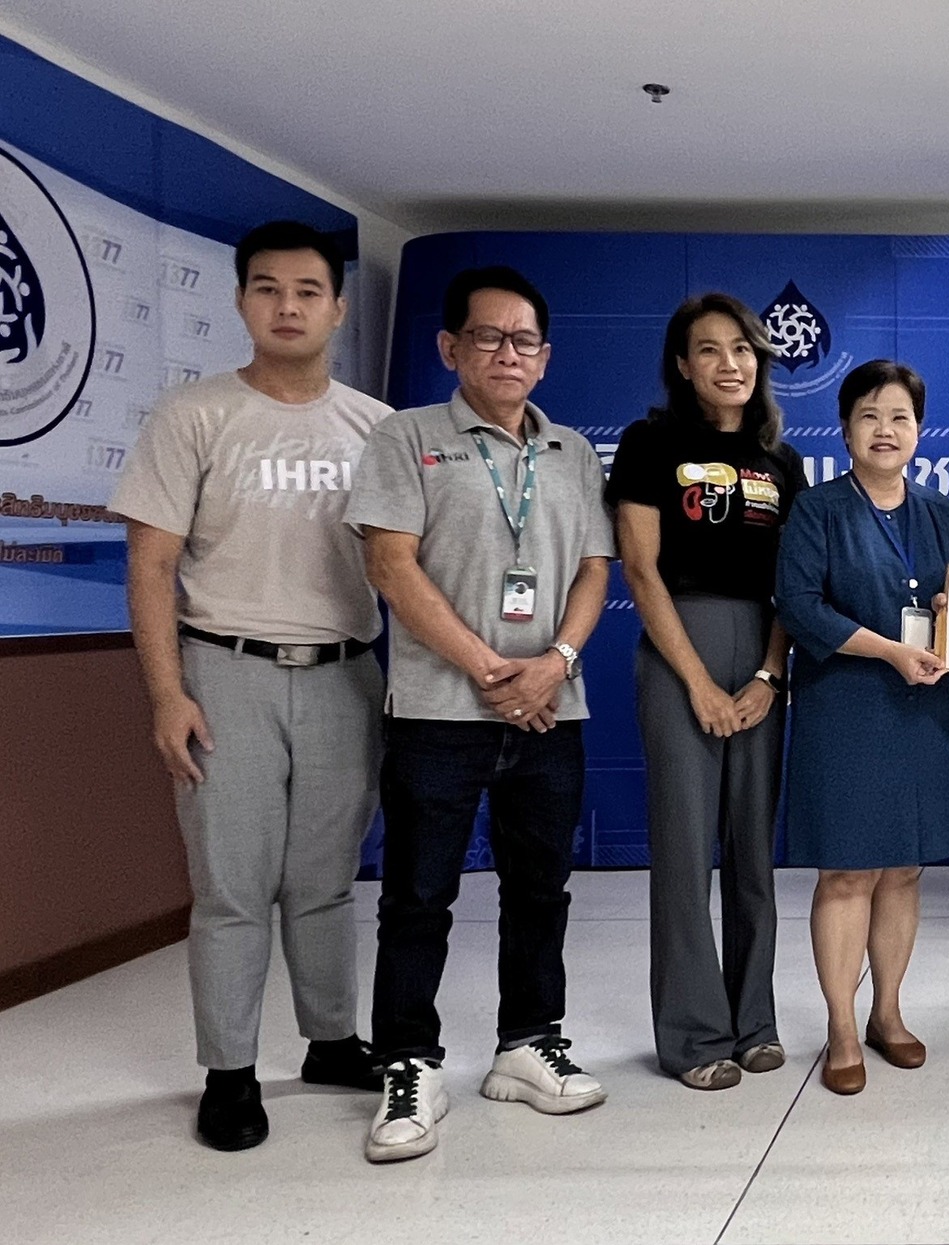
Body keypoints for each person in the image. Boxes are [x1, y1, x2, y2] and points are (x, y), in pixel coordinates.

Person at [110, 220, 389, 1152]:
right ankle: (229, 1071)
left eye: (308, 291)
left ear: (338, 309)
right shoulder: (193, 415)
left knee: (325, 880)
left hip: (345, 674)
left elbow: (406, 563)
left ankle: (331, 1040)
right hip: (224, 671)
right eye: (267, 288)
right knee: (231, 886)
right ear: (240, 302)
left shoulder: (375, 427)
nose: (287, 306)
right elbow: (151, 565)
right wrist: (166, 694)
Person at [345, 266, 615, 1162]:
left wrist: (554, 664)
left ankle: (527, 1042)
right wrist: (492, 669)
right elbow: (390, 564)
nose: (508, 353)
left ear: (545, 355)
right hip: (438, 711)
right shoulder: (407, 437)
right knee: (419, 895)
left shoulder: (573, 451)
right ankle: (409, 1062)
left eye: (524, 339)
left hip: (552, 709)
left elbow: (594, 569)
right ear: (450, 347)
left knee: (541, 888)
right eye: (489, 337)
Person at [606, 293, 805, 1091]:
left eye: (744, 348)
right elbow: (639, 568)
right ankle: (693, 1035)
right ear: (683, 365)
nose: (730, 363)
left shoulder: (781, 461)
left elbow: (796, 582)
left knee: (753, 849)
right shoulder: (650, 443)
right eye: (711, 349)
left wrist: (768, 675)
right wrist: (697, 681)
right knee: (687, 851)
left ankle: (754, 1020)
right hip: (678, 645)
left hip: (761, 649)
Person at [776, 360, 949, 1095]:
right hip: (846, 706)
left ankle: (888, 1012)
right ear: (844, 427)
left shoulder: (942, 511)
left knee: (904, 867)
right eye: (869, 416)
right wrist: (890, 650)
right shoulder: (817, 508)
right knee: (848, 869)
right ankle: (841, 1025)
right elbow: (800, 605)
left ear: (919, 430)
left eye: (900, 417)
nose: (885, 430)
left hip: (924, 711)